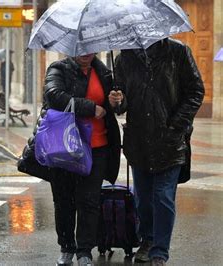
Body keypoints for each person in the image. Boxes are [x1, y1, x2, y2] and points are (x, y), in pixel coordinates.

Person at [110, 38, 204, 265]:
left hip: (169, 141)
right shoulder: (125, 57)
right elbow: (122, 103)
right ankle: (148, 240)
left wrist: (175, 126)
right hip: (139, 141)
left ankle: (160, 251)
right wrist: (116, 101)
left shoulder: (178, 52)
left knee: (162, 196)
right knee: (143, 198)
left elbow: (196, 91)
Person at [43, 53, 121, 266]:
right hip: (65, 146)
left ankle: (85, 250)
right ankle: (66, 246)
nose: (86, 53)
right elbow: (54, 95)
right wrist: (89, 107)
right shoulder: (58, 68)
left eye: (90, 48)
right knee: (64, 199)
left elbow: (115, 108)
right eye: (81, 48)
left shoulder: (104, 72)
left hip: (98, 146)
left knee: (89, 200)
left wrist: (117, 102)